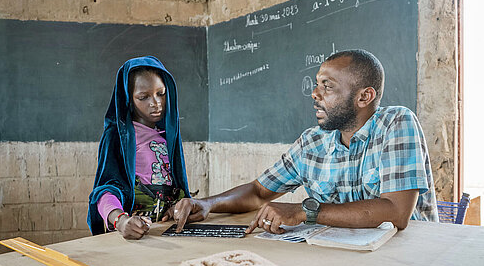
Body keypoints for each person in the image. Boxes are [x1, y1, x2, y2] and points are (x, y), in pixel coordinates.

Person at [165, 49, 438, 234]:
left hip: (404, 262)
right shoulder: (312, 142)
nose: (315, 94)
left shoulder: (397, 123)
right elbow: (259, 192)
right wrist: (208, 204)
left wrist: (304, 211)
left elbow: (396, 212)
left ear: (364, 97)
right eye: (317, 84)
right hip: (342, 260)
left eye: (327, 86)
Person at [87, 56, 190, 239]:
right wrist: (120, 220)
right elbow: (105, 191)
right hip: (133, 234)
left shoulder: (169, 136)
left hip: (167, 232)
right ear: (128, 98)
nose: (155, 103)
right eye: (143, 97)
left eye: (161, 93)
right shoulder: (118, 136)